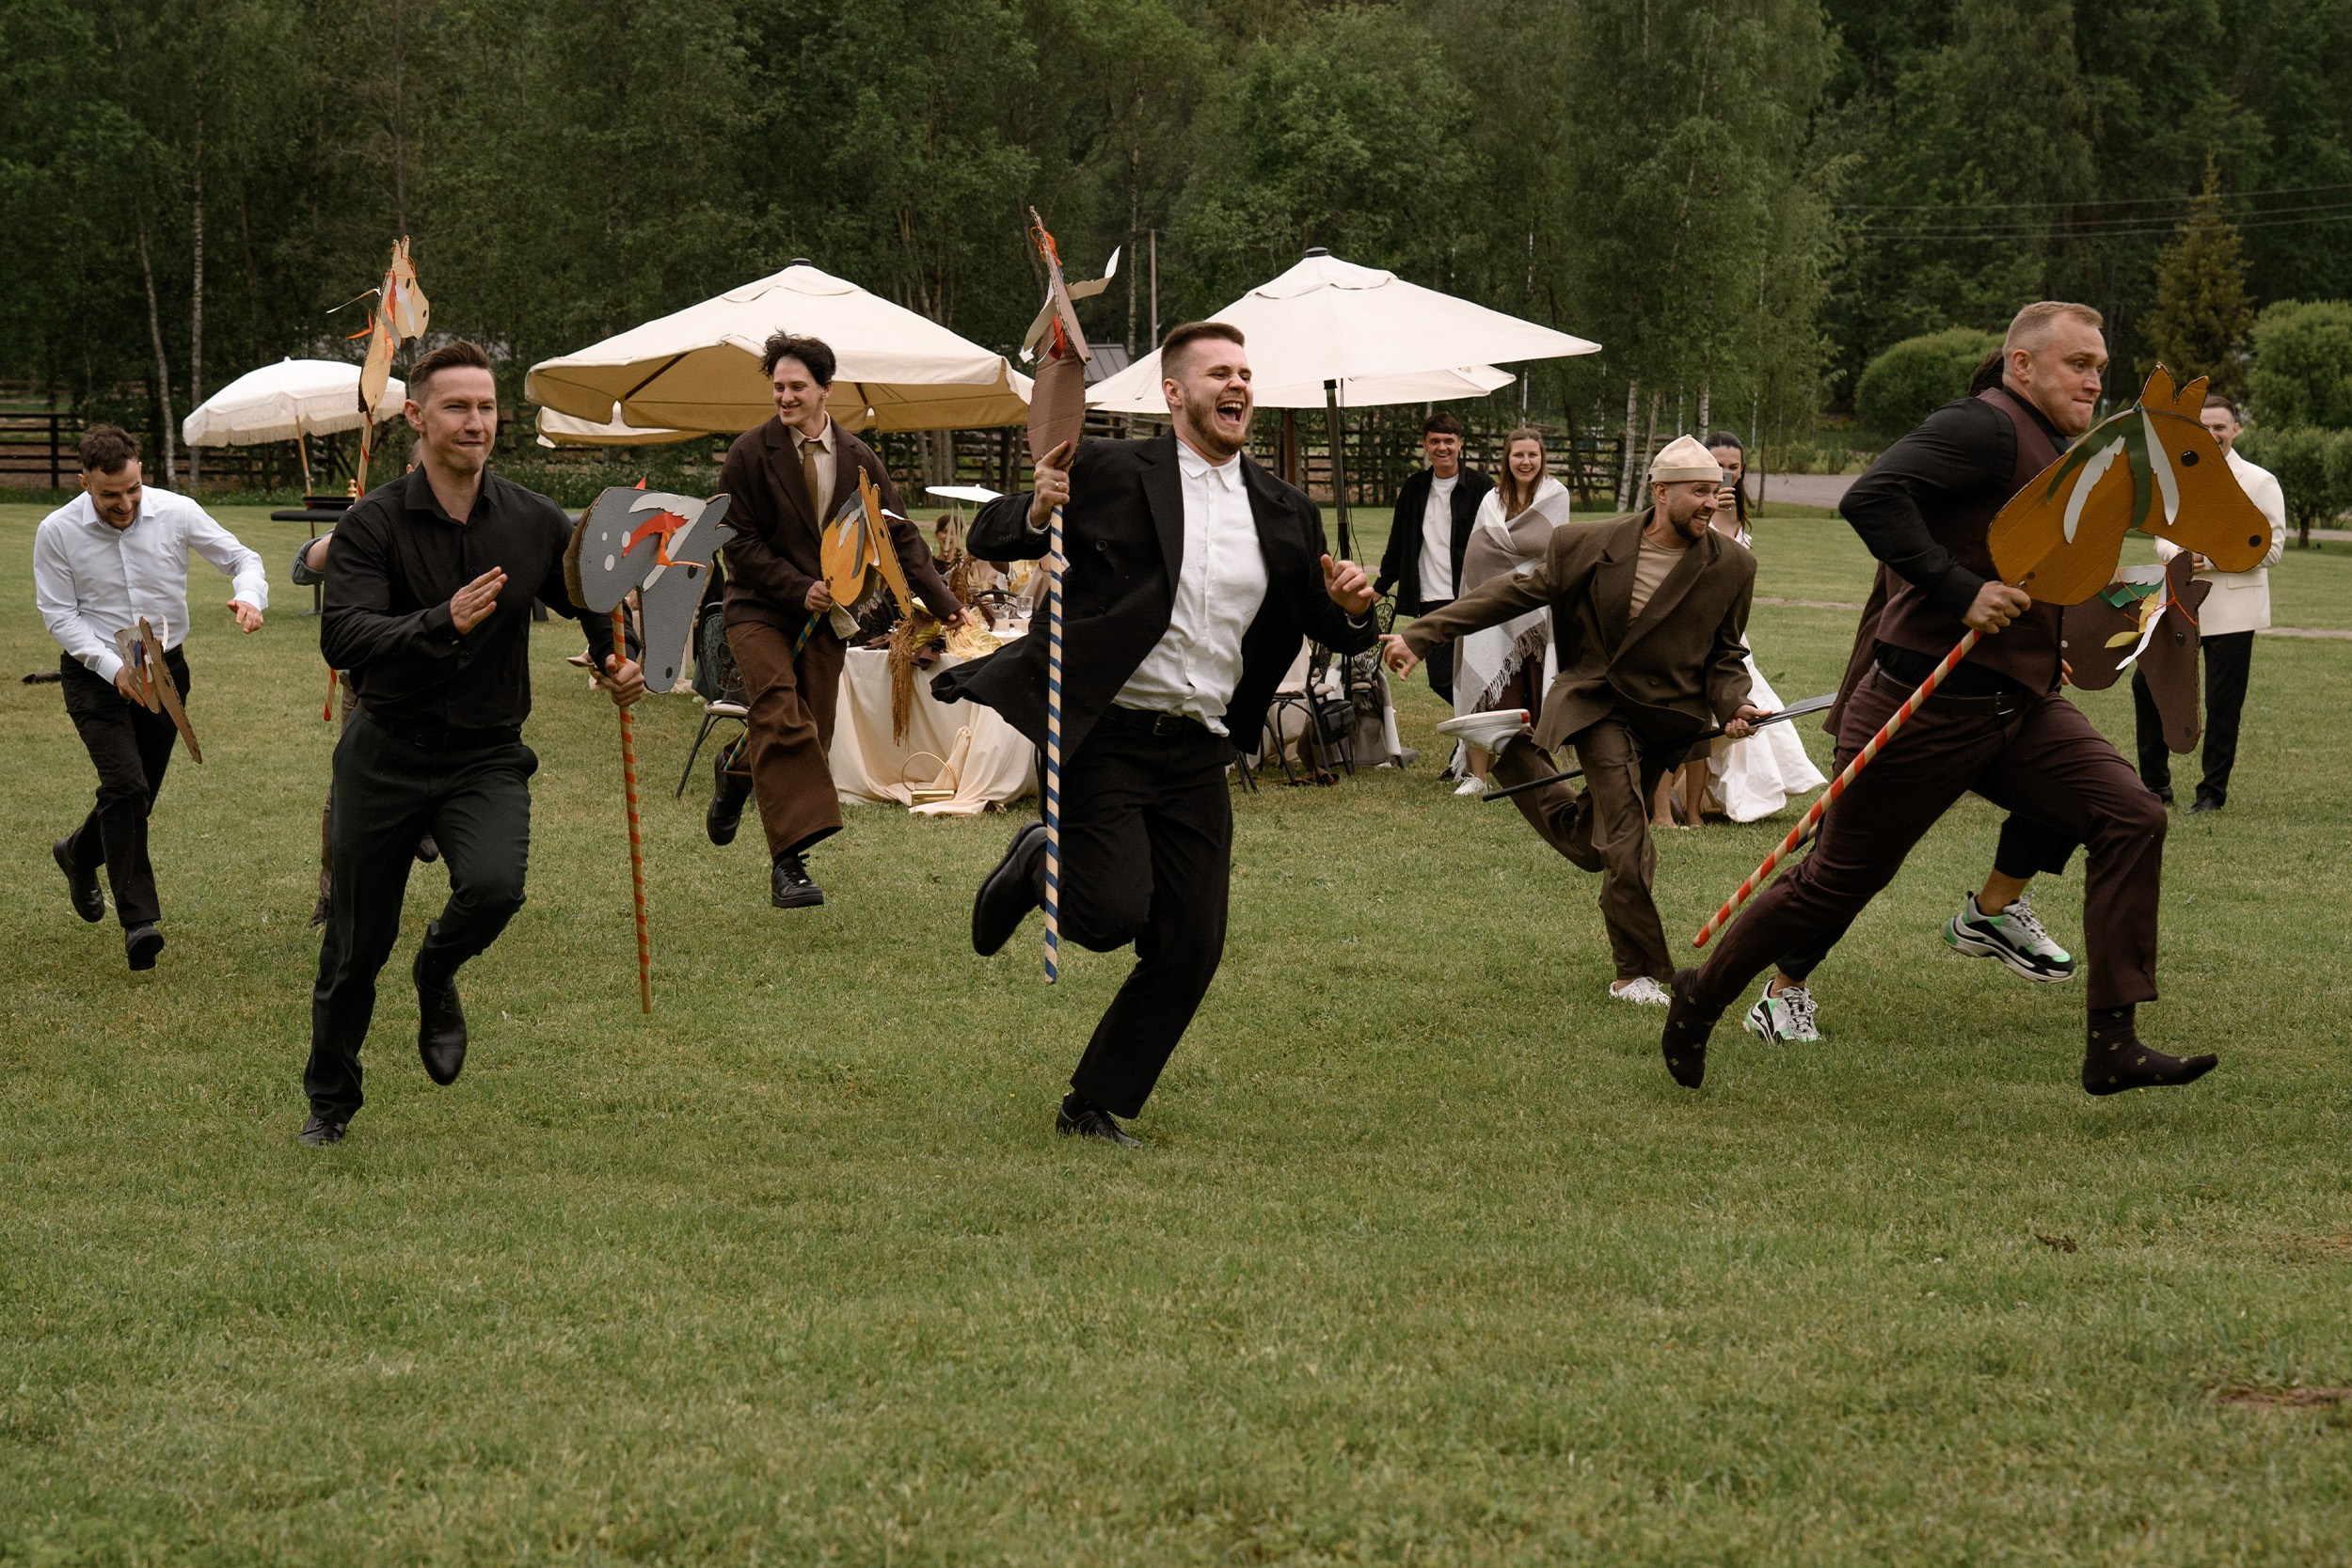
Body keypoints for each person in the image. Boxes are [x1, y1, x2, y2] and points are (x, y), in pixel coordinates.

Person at [1661, 301, 2213, 1098]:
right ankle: (1701, 996)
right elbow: (1872, 496)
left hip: (2018, 703)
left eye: (2099, 366)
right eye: (2078, 364)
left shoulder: (2058, 442)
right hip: (1926, 704)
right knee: (1834, 883)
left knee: (2132, 813)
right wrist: (1961, 592)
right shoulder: (1984, 426)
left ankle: (2114, 1043)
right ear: (2022, 364)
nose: (2095, 380)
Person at [945, 322, 1378, 1146]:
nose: (1239, 385)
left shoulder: (1286, 512)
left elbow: (1328, 618)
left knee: (1191, 942)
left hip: (1198, 747)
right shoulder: (1108, 468)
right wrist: (1037, 504)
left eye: (1247, 372)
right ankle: (1044, 861)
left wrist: (1356, 608)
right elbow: (992, 534)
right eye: (1219, 373)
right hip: (1104, 728)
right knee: (1109, 915)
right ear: (1175, 394)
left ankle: (1090, 1105)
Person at [301, 341, 647, 1148]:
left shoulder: (531, 520)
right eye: (458, 407)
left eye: (487, 407)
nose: (476, 422)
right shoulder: (373, 523)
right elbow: (343, 637)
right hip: (384, 751)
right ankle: (331, 1100)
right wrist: (439, 619)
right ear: (416, 417)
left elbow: (587, 594)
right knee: (356, 946)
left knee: (494, 887)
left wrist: (614, 660)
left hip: (486, 755)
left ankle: (438, 970)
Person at [1386, 436, 1768, 1005]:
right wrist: (1421, 634)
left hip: (1667, 723)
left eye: (1718, 491)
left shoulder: (1733, 564)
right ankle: (1638, 973)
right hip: (1599, 705)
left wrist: (1735, 704)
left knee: (1596, 846)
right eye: (1699, 491)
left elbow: (1724, 654)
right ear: (1661, 493)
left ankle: (1511, 752)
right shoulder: (1587, 544)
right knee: (1631, 842)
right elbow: (1512, 592)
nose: (1712, 503)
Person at [705, 332, 963, 909]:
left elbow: (896, 534)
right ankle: (789, 864)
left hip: (829, 619)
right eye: (778, 387)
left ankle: (734, 773)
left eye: (798, 387)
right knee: (779, 712)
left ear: (827, 390)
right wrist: (799, 588)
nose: (785, 397)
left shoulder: (860, 460)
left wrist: (945, 603)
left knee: (812, 735)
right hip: (759, 608)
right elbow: (736, 542)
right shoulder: (750, 453)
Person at [34, 424, 268, 970]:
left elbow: (244, 558)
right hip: (96, 674)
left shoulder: (176, 511)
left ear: (143, 474)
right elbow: (58, 613)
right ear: (84, 482)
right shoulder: (57, 530)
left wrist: (248, 597)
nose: (126, 503)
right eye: (110, 494)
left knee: (137, 797)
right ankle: (140, 922)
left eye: (133, 489)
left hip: (165, 670)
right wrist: (113, 668)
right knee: (125, 783)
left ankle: (78, 852)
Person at [1657, 432, 1826, 829]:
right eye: (1719, 467)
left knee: (1718, 719)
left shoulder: (1736, 513)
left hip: (1726, 632)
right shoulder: (1688, 514)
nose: (1727, 475)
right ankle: (1665, 808)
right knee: (1684, 719)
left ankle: (1698, 808)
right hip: (1688, 630)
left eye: (1734, 467)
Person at [2133, 393, 2286, 815]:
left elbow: (2271, 550)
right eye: (2204, 426)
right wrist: (2176, 555)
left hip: (2234, 608)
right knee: (2146, 686)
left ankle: (2211, 794)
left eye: (2220, 426)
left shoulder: (2259, 481)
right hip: (2179, 602)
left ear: (2235, 430)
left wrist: (2213, 560)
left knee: (2222, 704)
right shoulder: (2179, 477)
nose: (2212, 434)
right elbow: (2163, 534)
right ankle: (2154, 786)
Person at [1449, 426, 1569, 795]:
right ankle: (1478, 776)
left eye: (1532, 454)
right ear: (1507, 459)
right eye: (1518, 455)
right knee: (1485, 688)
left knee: (1534, 692)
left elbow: (1552, 547)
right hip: (1491, 608)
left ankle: (1534, 773)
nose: (1526, 461)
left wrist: (1517, 566)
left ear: (1541, 457)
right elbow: (1479, 554)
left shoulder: (1555, 495)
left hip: (1536, 612)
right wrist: (1503, 583)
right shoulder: (1492, 500)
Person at [1374, 412, 1494, 721]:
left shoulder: (1481, 487)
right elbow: (1398, 540)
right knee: (1442, 677)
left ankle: (1477, 734)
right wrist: (1380, 587)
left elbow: (1497, 538)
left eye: (1449, 441)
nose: (1442, 447)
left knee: (1464, 674)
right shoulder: (1415, 488)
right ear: (1425, 445)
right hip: (1430, 596)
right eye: (1435, 441)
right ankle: (1481, 727)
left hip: (1469, 595)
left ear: (1460, 444)